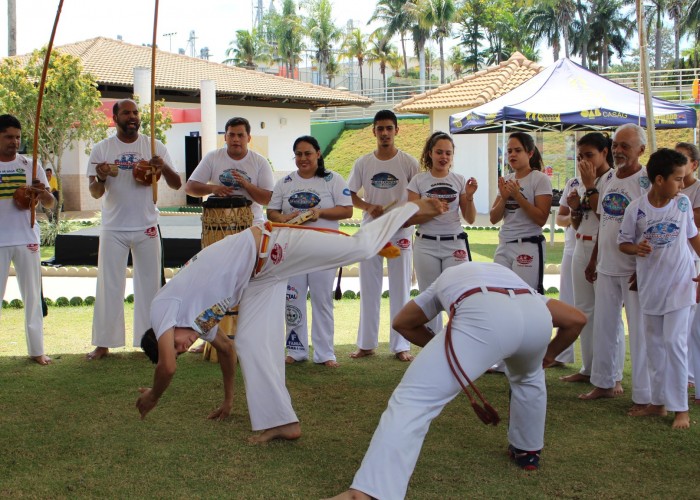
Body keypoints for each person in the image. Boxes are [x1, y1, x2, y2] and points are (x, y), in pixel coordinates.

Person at [135, 198, 446, 443]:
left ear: (164, 330)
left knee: (359, 248)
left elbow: (167, 367)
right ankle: (283, 423)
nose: (185, 345)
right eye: (181, 350)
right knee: (249, 343)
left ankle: (408, 208)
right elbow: (228, 353)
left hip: (271, 243)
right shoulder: (197, 323)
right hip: (260, 277)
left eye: (176, 344)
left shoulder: (163, 307)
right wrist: (228, 401)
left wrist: (153, 395)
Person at [329, 262, 586, 500]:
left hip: (483, 313)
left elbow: (402, 322)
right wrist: (549, 355)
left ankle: (370, 493)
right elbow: (576, 320)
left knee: (413, 400)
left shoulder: (446, 277)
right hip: (536, 318)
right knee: (528, 378)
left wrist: (458, 350)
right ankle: (528, 452)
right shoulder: (515, 283)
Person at [86, 99, 182, 360]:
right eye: (126, 112)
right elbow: (95, 192)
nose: (132, 116)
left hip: (147, 226)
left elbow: (176, 184)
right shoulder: (102, 149)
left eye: (136, 112)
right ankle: (104, 343)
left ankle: (148, 342)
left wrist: (163, 166)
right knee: (109, 285)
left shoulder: (153, 146)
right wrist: (103, 176)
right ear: (114, 118)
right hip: (113, 227)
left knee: (151, 286)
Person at [618, 148, 699, 429]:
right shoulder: (636, 208)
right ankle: (658, 402)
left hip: (680, 284)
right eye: (678, 179)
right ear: (660, 179)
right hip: (651, 286)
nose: (682, 184)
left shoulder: (683, 205)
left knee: (675, 343)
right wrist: (635, 248)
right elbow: (624, 242)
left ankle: (681, 409)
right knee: (653, 344)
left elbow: (693, 238)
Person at [580, 123, 651, 414]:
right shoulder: (608, 177)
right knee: (605, 327)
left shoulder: (647, 182)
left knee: (640, 332)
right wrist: (594, 258)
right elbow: (604, 222)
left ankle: (645, 395)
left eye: (626, 146)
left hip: (634, 267)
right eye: (617, 145)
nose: (619, 151)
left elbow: (651, 226)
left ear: (641, 150)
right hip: (607, 264)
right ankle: (604, 383)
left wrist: (643, 265)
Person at [267, 135, 353, 367]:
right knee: (292, 299)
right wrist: (284, 217)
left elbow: (347, 211)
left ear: (318, 154)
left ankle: (325, 353)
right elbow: (272, 213)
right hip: (292, 250)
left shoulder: (332, 179)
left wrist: (320, 213)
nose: (303, 158)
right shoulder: (284, 182)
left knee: (322, 300)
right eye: (298, 154)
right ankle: (296, 350)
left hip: (324, 249)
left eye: (308, 153)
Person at [348, 110, 419, 362]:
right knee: (369, 288)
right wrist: (368, 207)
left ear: (397, 131)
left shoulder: (409, 163)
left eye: (389, 128)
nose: (385, 133)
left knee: (400, 289)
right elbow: (351, 194)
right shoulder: (363, 163)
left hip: (400, 231)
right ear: (374, 132)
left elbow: (417, 195)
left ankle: (401, 345)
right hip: (371, 231)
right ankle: (367, 344)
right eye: (380, 129)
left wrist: (403, 214)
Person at [559, 133, 624, 385]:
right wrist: (575, 208)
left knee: (609, 314)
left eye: (589, 155)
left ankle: (613, 375)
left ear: (604, 153)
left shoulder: (612, 180)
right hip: (580, 245)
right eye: (579, 156)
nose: (583, 161)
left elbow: (607, 217)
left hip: (602, 249)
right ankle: (589, 368)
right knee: (583, 310)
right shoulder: (575, 181)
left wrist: (589, 186)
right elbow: (576, 222)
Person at [406, 131, 476, 334]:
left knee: (458, 295)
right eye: (439, 152)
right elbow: (409, 218)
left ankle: (460, 343)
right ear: (430, 154)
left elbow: (470, 219)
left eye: (448, 153)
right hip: (426, 245)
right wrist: (432, 211)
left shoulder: (459, 180)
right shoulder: (418, 181)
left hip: (455, 244)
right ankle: (432, 348)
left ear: (452, 156)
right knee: (429, 298)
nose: (443, 157)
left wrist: (469, 197)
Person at [0, 114, 55, 365]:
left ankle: (36, 350)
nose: (14, 141)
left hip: (27, 238)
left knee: (33, 297)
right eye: (8, 136)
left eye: (18, 137)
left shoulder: (30, 164)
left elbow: (50, 204)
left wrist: (40, 191)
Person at [489, 132, 552, 294]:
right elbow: (493, 218)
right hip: (504, 244)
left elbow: (541, 218)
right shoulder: (507, 179)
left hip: (528, 245)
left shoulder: (539, 179)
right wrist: (503, 198)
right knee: (500, 294)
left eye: (518, 150)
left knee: (524, 296)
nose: (512, 155)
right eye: (509, 151)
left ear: (530, 153)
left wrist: (518, 196)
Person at [185, 116, 274, 224]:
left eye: (240, 135)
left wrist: (246, 185)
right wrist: (213, 188)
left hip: (252, 224)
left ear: (249, 138)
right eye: (231, 135)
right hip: (218, 225)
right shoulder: (212, 157)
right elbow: (189, 188)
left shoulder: (260, 162)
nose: (235, 139)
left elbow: (268, 200)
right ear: (225, 137)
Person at [677, 142, 700, 400]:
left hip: (692, 260)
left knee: (691, 323)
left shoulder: (694, 190)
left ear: (693, 164)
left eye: (683, 159)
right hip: (672, 261)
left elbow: (693, 224)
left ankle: (691, 376)